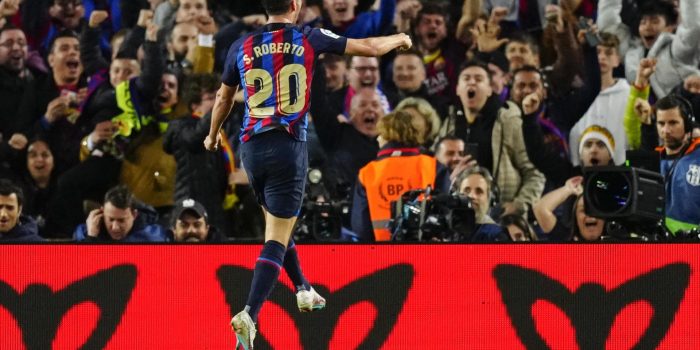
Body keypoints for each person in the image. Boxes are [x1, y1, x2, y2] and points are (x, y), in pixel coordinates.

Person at [203, 0, 412, 348]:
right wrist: (400, 37)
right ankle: (249, 314)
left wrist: (212, 135)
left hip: (251, 148)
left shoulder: (241, 45)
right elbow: (371, 47)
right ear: (296, 5)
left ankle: (303, 288)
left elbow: (223, 99)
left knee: (277, 225)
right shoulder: (308, 36)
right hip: (288, 145)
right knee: (275, 237)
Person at [352, 110, 449, 241]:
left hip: (382, 255)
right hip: (425, 252)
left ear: (387, 136)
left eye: (381, 134)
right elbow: (445, 216)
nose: (378, 138)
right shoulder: (434, 167)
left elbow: (361, 227)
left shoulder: (368, 172)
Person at [650, 95, 700, 235]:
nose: (666, 130)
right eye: (661, 123)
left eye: (673, 123)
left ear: (688, 124)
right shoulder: (652, 159)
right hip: (655, 246)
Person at [74, 185, 168, 242]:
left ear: (134, 215)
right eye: (110, 219)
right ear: (102, 212)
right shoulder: (84, 233)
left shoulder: (153, 238)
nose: (115, 227)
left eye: (121, 220)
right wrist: (91, 237)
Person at [451, 166, 508, 242]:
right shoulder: (446, 230)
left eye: (479, 191)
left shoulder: (496, 234)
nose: (472, 196)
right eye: (466, 190)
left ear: (489, 199)